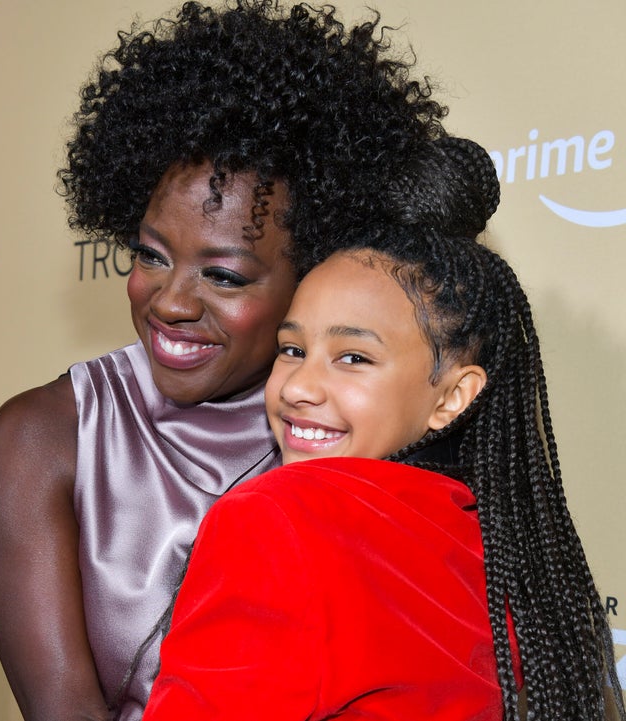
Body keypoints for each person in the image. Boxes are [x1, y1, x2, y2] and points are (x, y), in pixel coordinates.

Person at [0, 2, 451, 720]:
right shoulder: (45, 437)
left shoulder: (367, 427)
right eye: (151, 255)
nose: (169, 302)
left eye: (224, 276)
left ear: (315, 273)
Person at [141, 138, 626, 720]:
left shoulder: (276, 518)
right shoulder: (516, 550)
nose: (297, 387)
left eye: (353, 358)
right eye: (292, 349)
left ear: (453, 396)